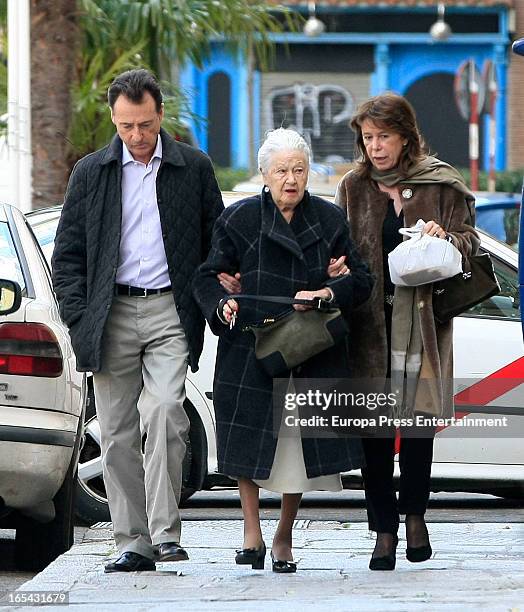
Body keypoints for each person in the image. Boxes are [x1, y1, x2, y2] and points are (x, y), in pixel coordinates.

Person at [52, 69, 224, 573]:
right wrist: (80, 317)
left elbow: (217, 239)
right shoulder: (91, 172)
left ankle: (167, 533)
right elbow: (69, 255)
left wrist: (211, 295)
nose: (136, 136)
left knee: (167, 412)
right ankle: (133, 540)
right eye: (126, 125)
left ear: (160, 116)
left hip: (171, 308)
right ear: (113, 118)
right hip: (109, 314)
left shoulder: (193, 167)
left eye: (144, 124)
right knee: (117, 432)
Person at [193, 128, 373, 572]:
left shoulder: (329, 220)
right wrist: (223, 302)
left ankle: (284, 535)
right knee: (247, 443)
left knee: (297, 450)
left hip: (308, 348)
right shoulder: (238, 220)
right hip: (251, 348)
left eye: (299, 169)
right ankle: (251, 531)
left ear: (309, 173)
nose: (290, 179)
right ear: (264, 175)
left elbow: (361, 279)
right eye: (281, 171)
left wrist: (329, 291)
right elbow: (206, 276)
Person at [335, 92, 480, 570]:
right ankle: (383, 530)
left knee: (418, 430)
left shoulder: (440, 182)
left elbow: (470, 242)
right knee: (374, 437)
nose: (375, 147)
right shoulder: (354, 187)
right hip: (369, 329)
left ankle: (415, 517)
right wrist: (337, 268)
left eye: (384, 137)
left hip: (423, 324)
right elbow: (341, 249)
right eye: (368, 138)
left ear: (406, 136)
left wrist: (447, 236)